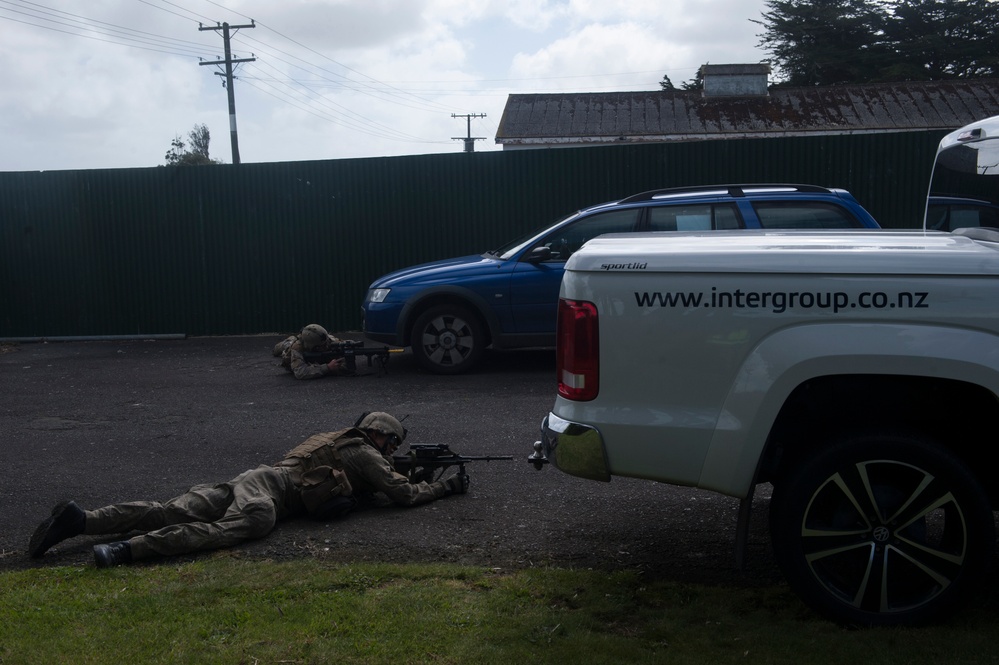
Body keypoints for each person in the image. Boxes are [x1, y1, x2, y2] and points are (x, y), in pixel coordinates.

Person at [28, 412, 469, 568]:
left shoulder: (338, 441)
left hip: (253, 476)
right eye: (391, 443)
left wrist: (414, 474)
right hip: (267, 494)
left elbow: (379, 484)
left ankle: (82, 520)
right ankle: (127, 550)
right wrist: (444, 487)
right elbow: (402, 494)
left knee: (168, 510)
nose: (392, 451)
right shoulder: (363, 453)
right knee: (233, 528)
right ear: (380, 435)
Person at [273, 324, 349, 379]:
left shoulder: (328, 340)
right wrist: (327, 367)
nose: (326, 346)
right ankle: (289, 340)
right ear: (313, 347)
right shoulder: (298, 348)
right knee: (286, 346)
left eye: (326, 343)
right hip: (291, 346)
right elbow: (300, 372)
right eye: (322, 346)